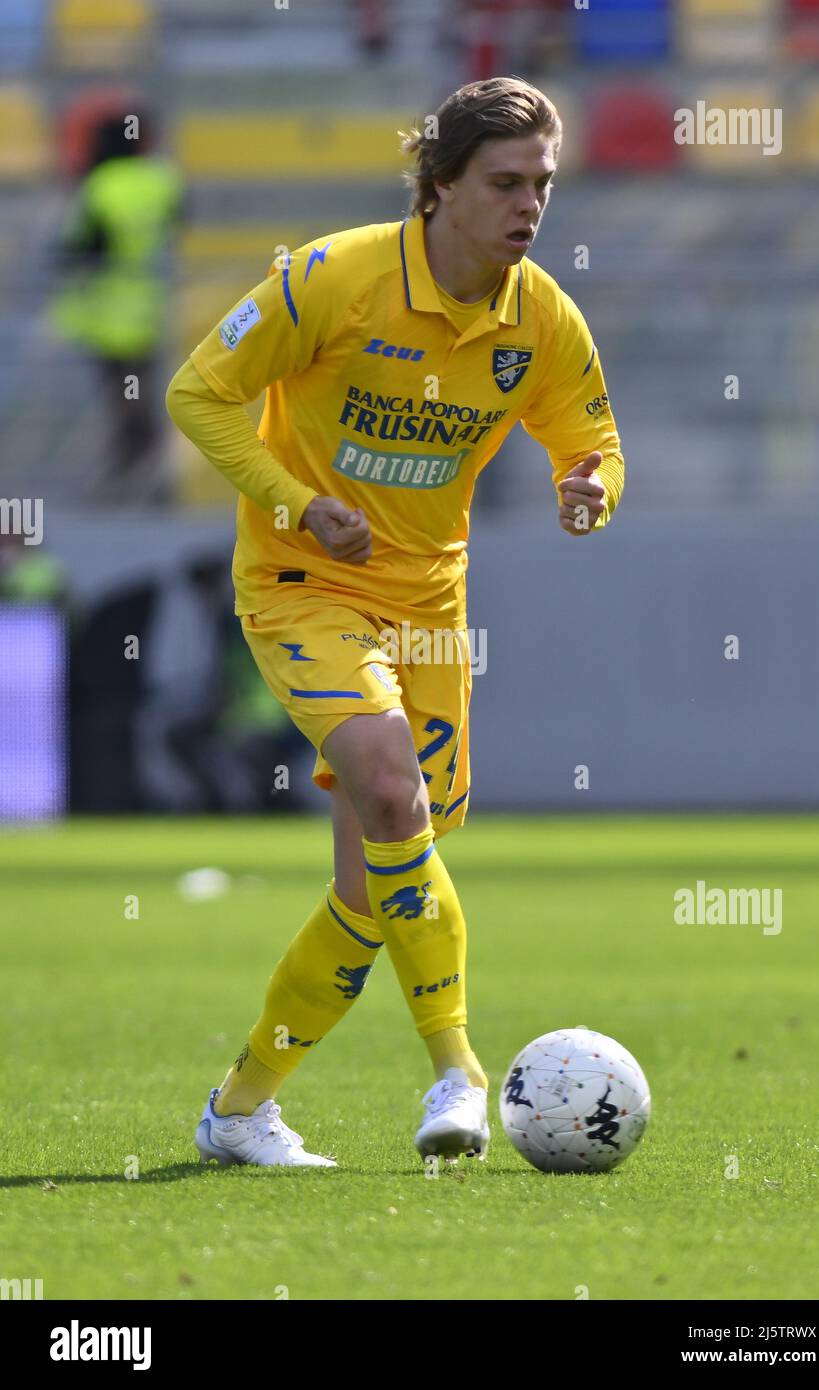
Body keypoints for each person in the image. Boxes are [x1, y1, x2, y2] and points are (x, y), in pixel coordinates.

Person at [165, 76, 624, 1170]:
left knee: (372, 888)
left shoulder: (539, 317)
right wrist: (293, 502)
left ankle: (238, 1108)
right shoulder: (333, 276)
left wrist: (590, 484)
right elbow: (197, 392)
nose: (527, 206)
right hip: (302, 584)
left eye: (541, 186)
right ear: (439, 188)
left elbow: (588, 438)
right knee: (386, 784)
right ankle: (457, 1069)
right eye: (504, 183)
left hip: (429, 612)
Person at [52, 106, 184, 502]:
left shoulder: (100, 186)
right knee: (140, 397)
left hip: (105, 312)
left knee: (122, 401)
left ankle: (130, 479)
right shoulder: (162, 180)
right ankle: (148, 477)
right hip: (148, 306)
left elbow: (78, 248)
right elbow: (179, 220)